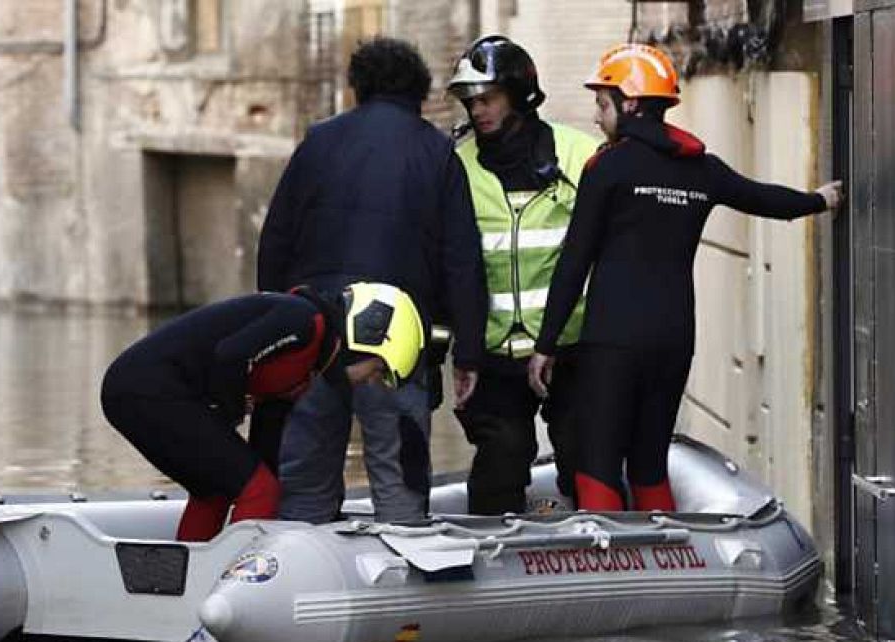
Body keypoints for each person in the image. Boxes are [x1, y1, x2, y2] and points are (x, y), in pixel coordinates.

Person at [527, 43, 844, 512]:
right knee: (650, 463)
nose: (597, 116)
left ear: (629, 103)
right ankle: (666, 566)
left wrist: (546, 344)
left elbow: (575, 261)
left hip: (613, 340)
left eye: (601, 103)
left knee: (597, 462)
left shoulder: (607, 168)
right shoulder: (701, 169)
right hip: (674, 339)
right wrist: (819, 200)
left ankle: (614, 575)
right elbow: (764, 200)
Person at [256, 36, 486, 525]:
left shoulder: (316, 143)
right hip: (395, 346)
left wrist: (277, 334)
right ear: (419, 92)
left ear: (356, 86)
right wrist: (466, 356)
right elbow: (462, 262)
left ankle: (297, 584)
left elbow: (275, 241)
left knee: (305, 487)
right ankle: (402, 582)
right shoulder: (437, 153)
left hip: (314, 337)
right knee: (399, 481)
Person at [100, 282, 426, 542]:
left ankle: (190, 586)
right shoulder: (304, 322)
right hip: (145, 388)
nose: (371, 381)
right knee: (259, 489)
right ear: (365, 338)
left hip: (143, 392)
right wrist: (232, 414)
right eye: (377, 369)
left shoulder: (306, 370)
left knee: (218, 489)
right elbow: (231, 356)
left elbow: (265, 442)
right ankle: (236, 585)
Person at [447, 35, 602, 515]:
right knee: (502, 458)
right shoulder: (457, 165)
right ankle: (491, 573)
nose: (478, 112)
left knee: (584, 454)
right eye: (470, 103)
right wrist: (458, 350)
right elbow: (447, 261)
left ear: (518, 93)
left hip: (570, 343)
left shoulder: (579, 155)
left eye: (487, 99)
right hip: (494, 350)